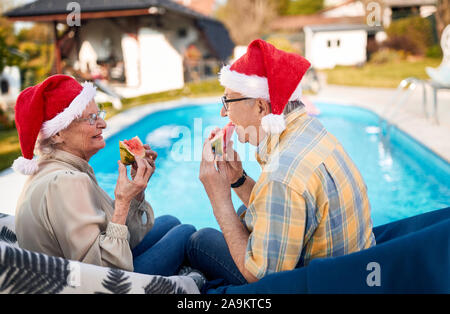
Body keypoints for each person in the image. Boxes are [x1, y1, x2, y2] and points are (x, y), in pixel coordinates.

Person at [188, 39, 376, 285]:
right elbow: (284, 210)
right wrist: (238, 179)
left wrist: (219, 200)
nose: (223, 113)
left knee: (198, 241)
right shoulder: (312, 132)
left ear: (260, 107)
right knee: (236, 220)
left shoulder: (283, 175)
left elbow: (262, 277)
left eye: (227, 102)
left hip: (318, 286)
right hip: (352, 274)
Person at [13, 75, 196, 276]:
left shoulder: (56, 169)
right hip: (91, 286)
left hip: (80, 275)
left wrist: (135, 193)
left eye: (98, 114)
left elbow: (118, 238)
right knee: (186, 233)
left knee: (170, 221)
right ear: (57, 133)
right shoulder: (67, 181)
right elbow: (101, 273)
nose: (103, 124)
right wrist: (122, 202)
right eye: (91, 118)